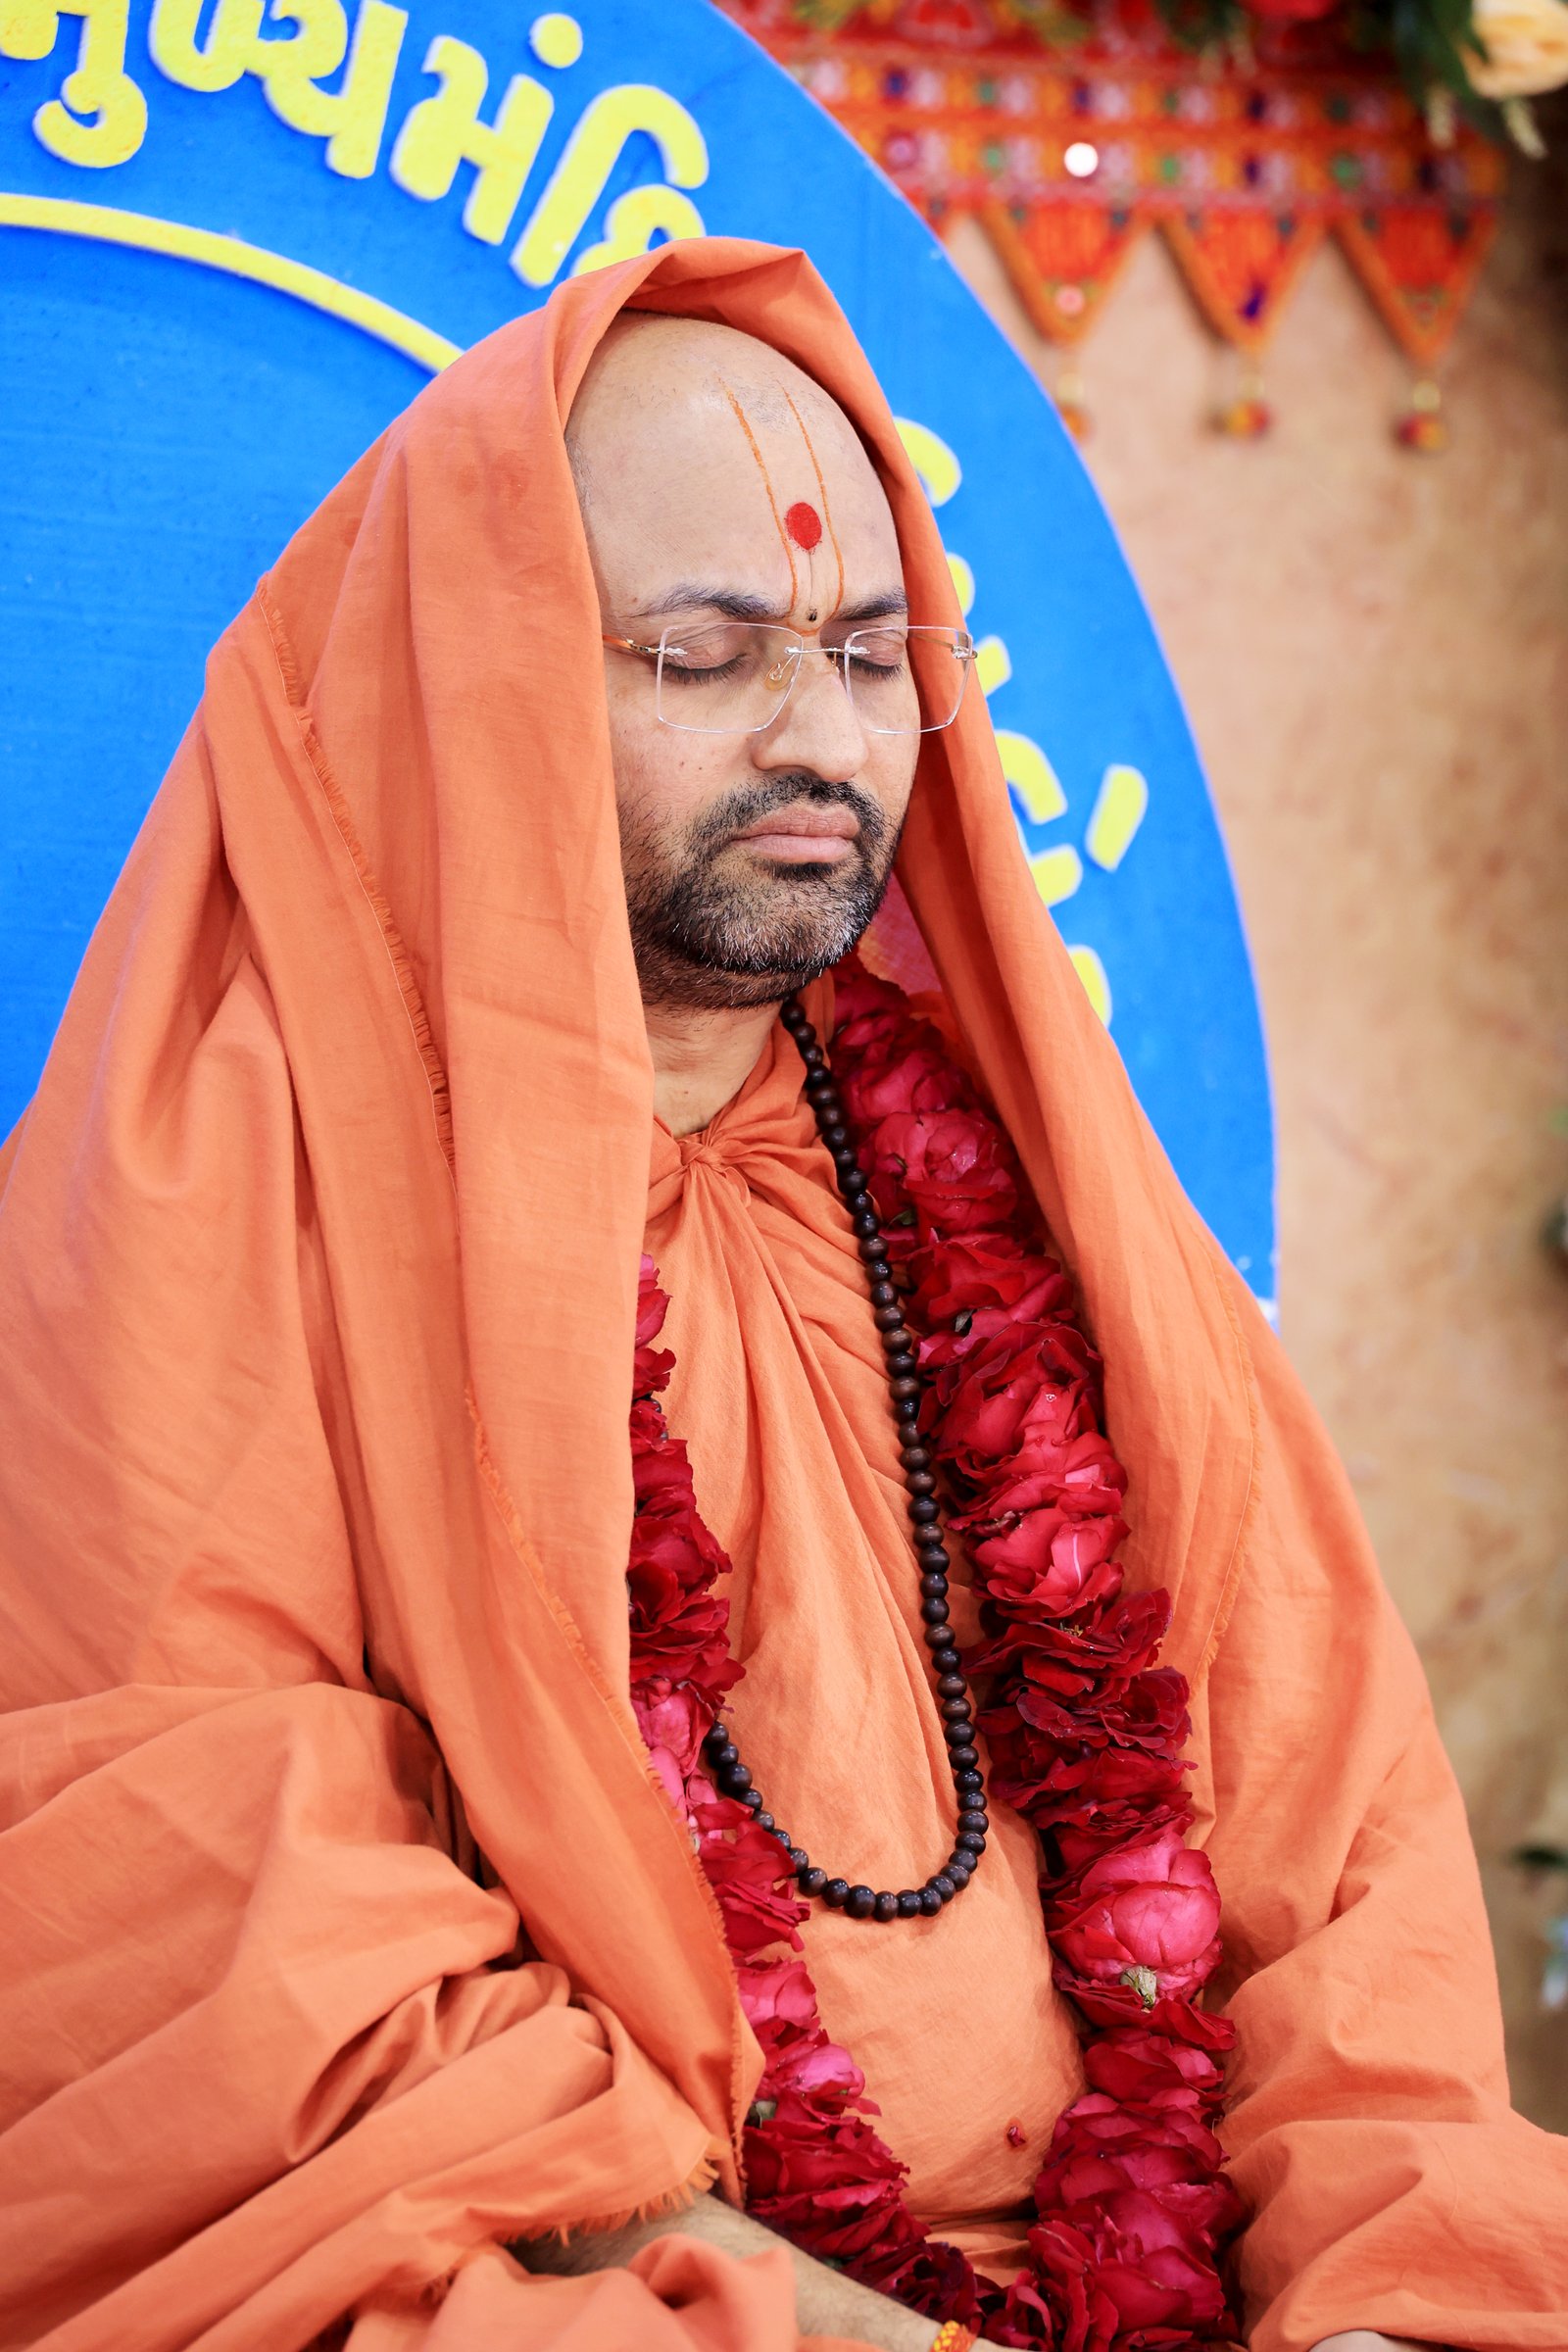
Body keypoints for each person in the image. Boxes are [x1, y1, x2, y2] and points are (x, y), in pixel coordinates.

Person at [0, 238, 1561, 2352]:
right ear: (481, 673)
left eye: (862, 651)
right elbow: (237, 1954)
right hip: (597, 2271)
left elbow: (1330, 1863)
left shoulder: (1033, 1189)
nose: (818, 736)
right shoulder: (226, 1186)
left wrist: (1368, 2305)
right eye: (702, 652)